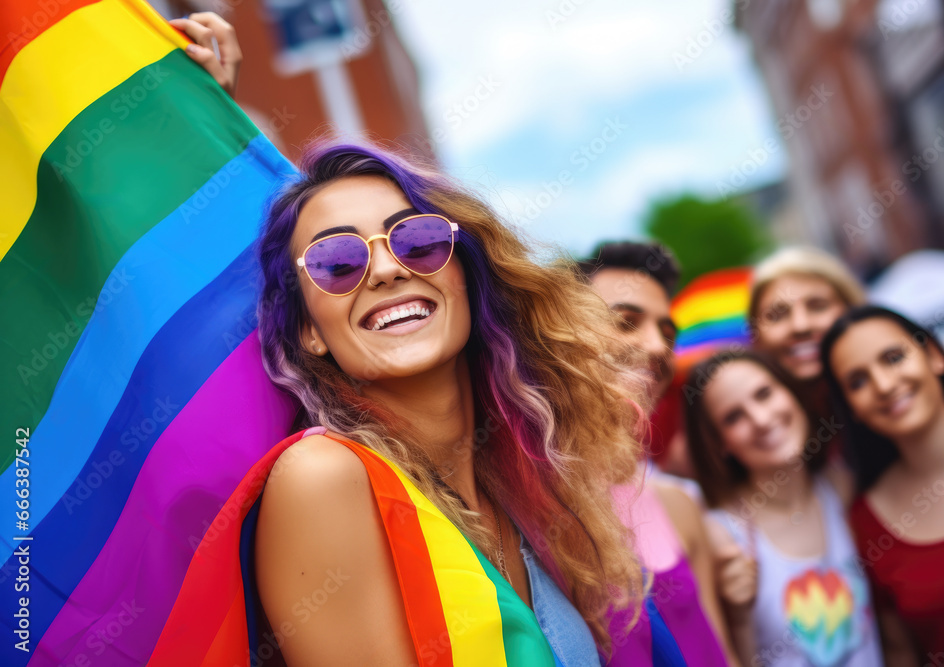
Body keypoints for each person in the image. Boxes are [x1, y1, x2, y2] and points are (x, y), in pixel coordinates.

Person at [170, 17, 675, 665]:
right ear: (308, 332)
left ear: (467, 275)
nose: (384, 268)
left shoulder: (530, 493)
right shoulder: (325, 479)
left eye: (416, 241)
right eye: (336, 261)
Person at [578, 241, 741, 666]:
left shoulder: (679, 504)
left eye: (668, 334)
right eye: (626, 322)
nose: (656, 347)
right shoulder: (525, 514)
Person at [822, 306, 944, 665]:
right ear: (851, 408)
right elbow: (902, 653)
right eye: (858, 381)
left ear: (934, 355)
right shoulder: (865, 524)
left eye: (893, 357)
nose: (884, 385)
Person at [684, 349, 885, 667]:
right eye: (733, 417)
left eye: (764, 394)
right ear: (720, 443)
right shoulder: (721, 537)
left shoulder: (842, 487)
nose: (762, 420)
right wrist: (739, 619)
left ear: (792, 393)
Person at [749, 246, 944, 420]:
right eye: (778, 314)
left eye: (818, 306)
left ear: (853, 310)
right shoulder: (775, 428)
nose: (801, 325)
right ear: (756, 333)